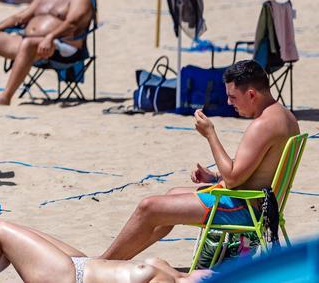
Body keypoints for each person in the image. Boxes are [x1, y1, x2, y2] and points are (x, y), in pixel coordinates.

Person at [100, 61, 300, 260]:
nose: (229, 103)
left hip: (244, 209)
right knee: (171, 195)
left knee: (148, 206)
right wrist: (214, 176)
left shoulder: (262, 125)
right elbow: (259, 168)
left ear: (251, 95)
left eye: (232, 97)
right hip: (258, 202)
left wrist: (210, 134)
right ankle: (118, 261)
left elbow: (232, 180)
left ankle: (101, 264)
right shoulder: (285, 117)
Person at [0, 220, 206, 282]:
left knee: (3, 232)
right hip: (82, 263)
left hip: (69, 278)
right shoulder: (183, 277)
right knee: (7, 244)